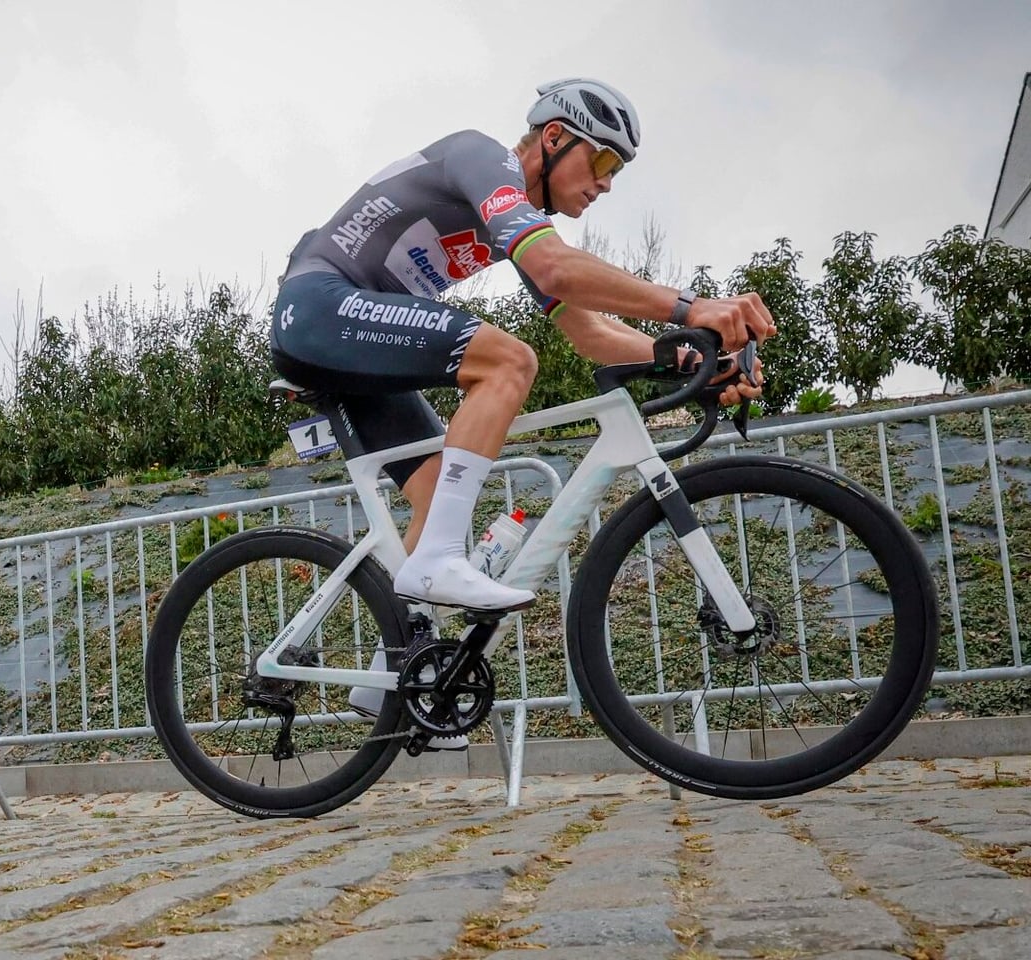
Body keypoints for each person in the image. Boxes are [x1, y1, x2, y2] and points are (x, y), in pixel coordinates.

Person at [271, 77, 774, 616]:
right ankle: (437, 560)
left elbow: (591, 333)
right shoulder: (482, 158)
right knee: (509, 361)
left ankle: (400, 657)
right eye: (604, 161)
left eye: (617, 172)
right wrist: (691, 307)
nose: (606, 184)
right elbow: (555, 268)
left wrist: (691, 360)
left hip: (357, 337)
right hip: (319, 306)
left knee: (439, 496)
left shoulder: (514, 225)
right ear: (554, 137)